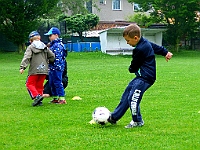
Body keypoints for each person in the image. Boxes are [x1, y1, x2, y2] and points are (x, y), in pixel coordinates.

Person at [107, 24, 173, 128]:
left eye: (128, 40)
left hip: (146, 78)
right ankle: (114, 117)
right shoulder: (144, 42)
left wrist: (131, 69)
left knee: (133, 98)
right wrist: (165, 52)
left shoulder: (140, 49)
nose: (127, 43)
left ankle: (137, 121)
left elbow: (135, 64)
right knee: (127, 94)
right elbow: (154, 47)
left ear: (135, 38)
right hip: (141, 77)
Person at [19, 31, 55, 106]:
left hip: (34, 70)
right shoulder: (45, 47)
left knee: (29, 84)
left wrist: (22, 67)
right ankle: (40, 100)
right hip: (44, 70)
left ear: (30, 41)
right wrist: (51, 61)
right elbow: (52, 56)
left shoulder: (31, 47)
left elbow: (27, 57)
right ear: (40, 38)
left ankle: (36, 96)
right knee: (39, 85)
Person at [44, 27, 67, 104]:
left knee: (57, 82)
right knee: (52, 83)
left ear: (56, 35)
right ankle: (55, 97)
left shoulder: (58, 45)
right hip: (51, 68)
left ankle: (62, 98)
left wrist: (56, 66)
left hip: (57, 68)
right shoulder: (52, 45)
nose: (49, 37)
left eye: (51, 35)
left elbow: (58, 57)